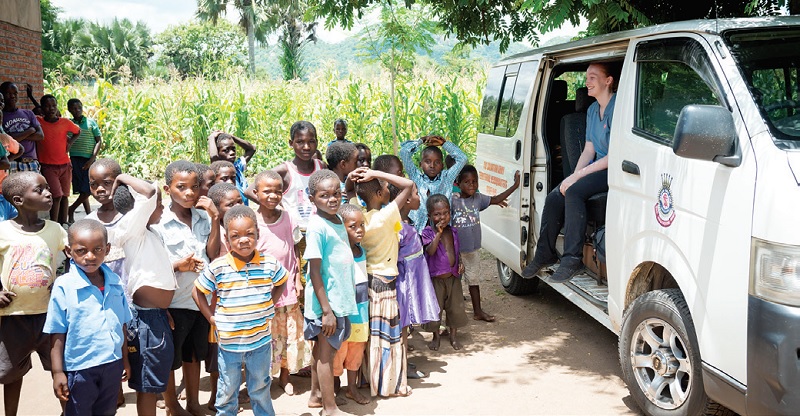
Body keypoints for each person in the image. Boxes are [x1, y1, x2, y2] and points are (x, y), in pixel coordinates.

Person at [522, 62, 618, 283]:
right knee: (557, 195)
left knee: (574, 192)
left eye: (593, 77)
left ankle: (572, 259)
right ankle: (544, 253)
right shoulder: (593, 110)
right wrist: (572, 177)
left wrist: (576, 179)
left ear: (608, 81)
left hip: (614, 168)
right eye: (587, 77)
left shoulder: (618, 108)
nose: (587, 82)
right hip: (596, 165)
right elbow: (589, 149)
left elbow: (613, 156)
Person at [193, 205, 287, 416]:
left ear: (258, 235)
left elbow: (282, 281)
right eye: (236, 236)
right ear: (227, 240)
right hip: (229, 345)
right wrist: (210, 317)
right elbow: (197, 292)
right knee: (227, 390)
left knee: (260, 388)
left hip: (260, 342)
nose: (243, 240)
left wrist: (270, 303)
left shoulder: (269, 263)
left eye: (249, 234)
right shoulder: (218, 267)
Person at [150, 160, 220, 416]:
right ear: (168, 189)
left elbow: (212, 253)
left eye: (194, 187)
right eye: (182, 187)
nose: (190, 193)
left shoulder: (203, 217)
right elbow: (153, 269)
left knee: (194, 356)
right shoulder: (159, 225)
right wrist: (179, 265)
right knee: (170, 359)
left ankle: (193, 402)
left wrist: (215, 218)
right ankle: (171, 404)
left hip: (199, 300)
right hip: (173, 303)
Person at [43, 219, 132, 416]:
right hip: (80, 368)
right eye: (81, 250)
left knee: (107, 411)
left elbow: (122, 325)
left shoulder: (115, 282)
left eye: (97, 249)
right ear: (69, 251)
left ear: (107, 249)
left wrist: (125, 359)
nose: (90, 256)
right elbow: (57, 333)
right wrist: (58, 372)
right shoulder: (63, 286)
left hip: (112, 364)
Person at [108, 176, 179, 416]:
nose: (161, 207)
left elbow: (157, 274)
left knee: (154, 378)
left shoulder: (150, 234)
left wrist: (163, 309)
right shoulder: (132, 228)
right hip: (146, 321)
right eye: (159, 205)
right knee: (147, 386)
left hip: (155, 316)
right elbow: (149, 192)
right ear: (140, 209)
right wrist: (120, 178)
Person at [0, 172, 68, 416]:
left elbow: (76, 256)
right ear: (18, 200)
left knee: (60, 368)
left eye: (47, 188)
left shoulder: (56, 229)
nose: (48, 193)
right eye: (39, 190)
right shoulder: (3, 231)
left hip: (50, 316)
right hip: (12, 316)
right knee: (10, 375)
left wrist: (64, 282)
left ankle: (67, 411)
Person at [352, 167, 415, 397]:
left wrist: (354, 180)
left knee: (370, 336)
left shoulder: (359, 218)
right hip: (385, 285)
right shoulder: (386, 216)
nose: (389, 189)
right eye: (386, 188)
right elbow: (408, 185)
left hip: (367, 282)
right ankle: (389, 384)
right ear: (379, 193)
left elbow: (351, 193)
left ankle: (368, 379)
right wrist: (375, 172)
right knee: (388, 337)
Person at [303, 169, 358, 415]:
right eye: (325, 195)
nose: (332, 199)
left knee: (322, 350)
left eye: (336, 193)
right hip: (327, 304)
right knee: (326, 354)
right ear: (311, 198)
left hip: (338, 299)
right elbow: (314, 271)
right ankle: (329, 407)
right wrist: (327, 311)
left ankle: (316, 395)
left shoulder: (336, 219)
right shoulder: (317, 226)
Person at [251, 170, 309, 396]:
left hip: (287, 289)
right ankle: (262, 379)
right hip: (262, 291)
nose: (273, 195)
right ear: (256, 193)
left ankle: (285, 377)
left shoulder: (288, 217)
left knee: (287, 335)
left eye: (278, 191)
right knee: (265, 336)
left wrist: (296, 278)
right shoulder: (252, 221)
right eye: (267, 191)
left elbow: (294, 249)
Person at [452, 165, 520, 322]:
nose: (472, 185)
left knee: (474, 281)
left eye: (474, 181)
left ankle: (478, 312)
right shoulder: (453, 201)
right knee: (454, 284)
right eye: (467, 182)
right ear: (458, 183)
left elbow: (496, 199)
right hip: (456, 251)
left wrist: (515, 185)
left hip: (472, 251)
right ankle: (453, 315)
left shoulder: (478, 198)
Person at [332, 203, 370, 405]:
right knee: (339, 352)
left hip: (361, 311)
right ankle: (335, 388)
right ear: (341, 226)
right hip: (344, 312)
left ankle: (352, 388)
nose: (359, 230)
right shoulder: (337, 252)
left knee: (356, 351)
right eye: (353, 226)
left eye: (361, 225)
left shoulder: (361, 250)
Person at [422, 194, 468, 351]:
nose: (442, 217)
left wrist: (460, 263)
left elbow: (456, 250)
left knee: (455, 308)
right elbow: (430, 250)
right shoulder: (428, 232)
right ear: (430, 216)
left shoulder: (453, 231)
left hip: (453, 277)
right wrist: (438, 233)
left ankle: (453, 336)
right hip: (436, 279)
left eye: (446, 212)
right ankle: (436, 337)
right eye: (437, 214)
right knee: (436, 308)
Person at [399, 135, 467, 232]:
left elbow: (462, 158)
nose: (432, 166)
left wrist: (444, 144)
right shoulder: (415, 177)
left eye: (437, 162)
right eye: (427, 161)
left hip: (442, 230)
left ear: (442, 165)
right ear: (420, 164)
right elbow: (404, 152)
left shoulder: (447, 178)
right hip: (418, 230)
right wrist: (421, 140)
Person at [273, 121, 326, 231]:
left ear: (317, 142)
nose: (306, 147)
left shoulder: (321, 167)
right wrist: (276, 208)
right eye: (300, 142)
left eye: (311, 141)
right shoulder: (284, 171)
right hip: (293, 232)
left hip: (319, 230)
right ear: (291, 143)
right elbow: (251, 190)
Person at [37, 95, 81, 224]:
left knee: (65, 195)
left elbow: (77, 131)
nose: (51, 109)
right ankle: (54, 224)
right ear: (42, 108)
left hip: (65, 165)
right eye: (47, 106)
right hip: (48, 166)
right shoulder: (38, 121)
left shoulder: (65, 122)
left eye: (54, 106)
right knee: (56, 195)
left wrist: (70, 143)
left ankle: (64, 224)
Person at [66, 98, 103, 224]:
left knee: (88, 189)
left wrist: (92, 158)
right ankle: (89, 215)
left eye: (79, 108)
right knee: (83, 190)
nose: (77, 110)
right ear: (69, 110)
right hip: (75, 159)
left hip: (89, 159)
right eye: (74, 108)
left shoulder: (91, 123)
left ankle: (71, 209)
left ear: (82, 108)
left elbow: (99, 140)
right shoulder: (69, 124)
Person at [1, 82, 43, 173]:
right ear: (2, 95)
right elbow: (6, 140)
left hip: (31, 162)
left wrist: (17, 136)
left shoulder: (28, 113)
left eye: (15, 93)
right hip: (13, 162)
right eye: (8, 93)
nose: (12, 96)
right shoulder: (1, 117)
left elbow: (40, 135)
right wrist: (30, 131)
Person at [208, 131, 256, 205]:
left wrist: (231, 137)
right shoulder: (218, 170)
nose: (232, 153)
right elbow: (213, 157)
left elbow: (252, 149)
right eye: (226, 150)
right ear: (218, 152)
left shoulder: (237, 167)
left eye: (233, 149)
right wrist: (211, 138)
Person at [325, 140, 358, 205]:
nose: (358, 165)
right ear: (343, 164)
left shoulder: (349, 182)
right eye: (355, 162)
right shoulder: (336, 188)